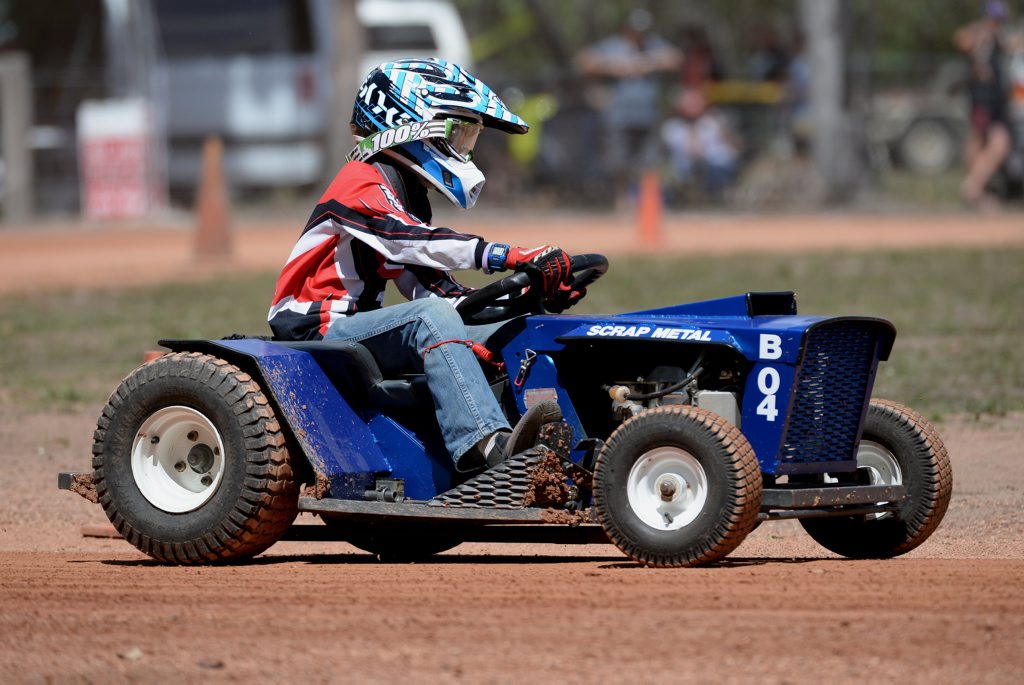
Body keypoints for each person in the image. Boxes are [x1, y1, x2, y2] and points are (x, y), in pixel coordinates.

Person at [268, 59, 586, 472]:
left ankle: (575, 443)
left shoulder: (403, 196)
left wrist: (528, 298)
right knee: (429, 320)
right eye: (459, 132)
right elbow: (411, 243)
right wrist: (508, 255)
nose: (466, 147)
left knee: (511, 329)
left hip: (357, 328)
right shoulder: (359, 180)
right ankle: (485, 448)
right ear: (412, 124)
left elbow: (442, 293)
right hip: (315, 329)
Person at [576, 9, 682, 204]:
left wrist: (649, 63)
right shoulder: (613, 46)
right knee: (618, 161)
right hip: (618, 115)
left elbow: (676, 58)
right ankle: (623, 200)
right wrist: (613, 66)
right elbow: (583, 60)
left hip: (648, 115)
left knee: (650, 162)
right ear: (627, 29)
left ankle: (647, 202)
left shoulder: (653, 46)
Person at [954, 1, 1014, 209]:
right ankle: (973, 189)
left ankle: (974, 187)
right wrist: (979, 32)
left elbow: (1012, 45)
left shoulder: (998, 38)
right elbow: (961, 39)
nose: (996, 24)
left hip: (996, 101)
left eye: (999, 20)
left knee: (997, 143)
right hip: (982, 99)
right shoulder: (980, 35)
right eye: (993, 19)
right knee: (981, 141)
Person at [661, 89, 740, 202]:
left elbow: (734, 146)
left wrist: (724, 129)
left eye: (696, 103)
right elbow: (694, 153)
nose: (693, 107)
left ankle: (719, 199)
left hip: (717, 168)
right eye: (689, 104)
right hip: (686, 171)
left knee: (721, 169)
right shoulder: (672, 127)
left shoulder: (712, 122)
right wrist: (692, 129)